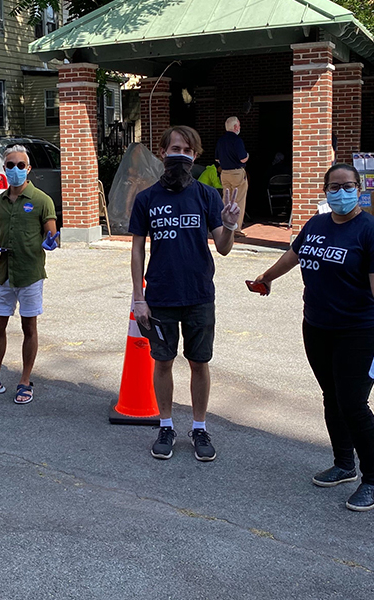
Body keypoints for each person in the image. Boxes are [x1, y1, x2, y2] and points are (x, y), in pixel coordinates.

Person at [251, 163, 374, 511]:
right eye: (334, 186)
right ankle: (344, 464)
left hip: (360, 331)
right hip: (317, 326)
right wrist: (266, 277)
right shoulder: (317, 224)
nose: (340, 192)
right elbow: (294, 255)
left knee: (354, 405)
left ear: (358, 189)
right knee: (332, 397)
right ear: (325, 190)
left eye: (348, 186)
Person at [129, 125, 240, 461]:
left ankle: (199, 427)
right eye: (175, 148)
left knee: (199, 363)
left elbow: (222, 248)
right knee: (162, 362)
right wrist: (138, 297)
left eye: (188, 150)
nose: (181, 154)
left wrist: (231, 224)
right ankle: (166, 425)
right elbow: (137, 250)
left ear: (195, 156)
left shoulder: (206, 196)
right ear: (162, 153)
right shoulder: (147, 198)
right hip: (160, 295)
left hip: (198, 294)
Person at [0, 145, 59, 404]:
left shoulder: (41, 200)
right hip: (4, 273)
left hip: (30, 273)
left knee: (29, 327)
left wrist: (51, 242)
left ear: (28, 169)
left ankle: (25, 380)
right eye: (10, 165)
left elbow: (52, 236)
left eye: (20, 165)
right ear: (3, 169)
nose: (15, 169)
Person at [215, 116, 249, 237]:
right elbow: (243, 157)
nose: (239, 127)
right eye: (239, 125)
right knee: (238, 200)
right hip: (237, 173)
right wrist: (248, 156)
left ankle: (225, 226)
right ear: (235, 127)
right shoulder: (237, 140)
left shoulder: (221, 140)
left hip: (224, 173)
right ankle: (236, 228)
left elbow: (217, 158)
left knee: (226, 200)